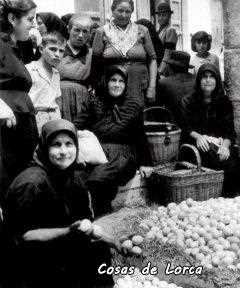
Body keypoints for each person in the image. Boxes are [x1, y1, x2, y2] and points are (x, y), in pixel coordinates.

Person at [3, 119, 116, 288]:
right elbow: (23, 237)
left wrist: (115, 242)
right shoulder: (31, 184)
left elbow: (85, 226)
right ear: (45, 147)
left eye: (69, 144)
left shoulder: (74, 180)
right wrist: (67, 231)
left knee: (98, 250)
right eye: (56, 145)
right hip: (31, 261)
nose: (64, 151)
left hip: (59, 247)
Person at [74, 66, 150, 216]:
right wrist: (78, 151)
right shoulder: (95, 102)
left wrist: (146, 163)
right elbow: (76, 125)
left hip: (123, 154)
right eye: (113, 80)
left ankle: (102, 217)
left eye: (121, 81)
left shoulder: (134, 105)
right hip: (97, 152)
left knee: (99, 178)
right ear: (106, 82)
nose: (117, 85)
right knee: (77, 178)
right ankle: (83, 218)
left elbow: (141, 135)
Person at [180, 63, 240, 197]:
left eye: (212, 77)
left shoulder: (224, 102)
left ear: (217, 81)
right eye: (204, 77)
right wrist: (199, 137)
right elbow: (185, 127)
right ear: (199, 80)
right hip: (197, 144)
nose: (208, 80)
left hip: (218, 144)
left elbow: (229, 131)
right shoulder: (188, 101)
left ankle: (230, 200)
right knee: (208, 157)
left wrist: (224, 147)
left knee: (231, 161)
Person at [0, 0, 39, 194]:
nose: (34, 24)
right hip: (6, 129)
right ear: (12, 19)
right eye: (30, 19)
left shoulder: (17, 47)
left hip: (21, 128)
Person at [92, 0, 157, 104]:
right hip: (112, 87)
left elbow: (152, 59)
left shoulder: (142, 30)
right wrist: (96, 87)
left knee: (135, 115)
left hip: (138, 85)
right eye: (120, 11)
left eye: (128, 11)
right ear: (112, 10)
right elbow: (95, 63)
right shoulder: (102, 31)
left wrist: (152, 87)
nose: (124, 15)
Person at [26, 31, 66, 133]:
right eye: (53, 49)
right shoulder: (30, 69)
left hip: (54, 118)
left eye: (61, 51)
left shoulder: (56, 73)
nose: (57, 54)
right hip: (34, 118)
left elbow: (57, 99)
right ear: (41, 49)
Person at [58, 14, 93, 122]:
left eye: (85, 31)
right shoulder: (57, 49)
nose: (81, 35)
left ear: (90, 34)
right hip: (58, 97)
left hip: (81, 100)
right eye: (77, 30)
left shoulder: (91, 54)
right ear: (68, 29)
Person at [157, 51, 195, 124]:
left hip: (173, 125)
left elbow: (159, 108)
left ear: (171, 67)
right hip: (195, 125)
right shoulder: (197, 80)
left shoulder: (163, 83)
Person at [155, 2, 178, 77]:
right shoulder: (158, 31)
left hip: (166, 67)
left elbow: (168, 53)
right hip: (158, 64)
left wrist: (160, 70)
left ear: (169, 16)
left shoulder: (170, 30)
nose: (161, 18)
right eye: (159, 15)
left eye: (164, 15)